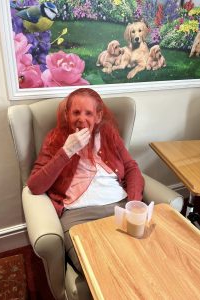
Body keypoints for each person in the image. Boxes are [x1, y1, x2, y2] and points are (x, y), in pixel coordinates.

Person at [27, 88, 144, 273]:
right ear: (67, 115)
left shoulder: (108, 133)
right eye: (76, 112)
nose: (81, 119)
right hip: (78, 214)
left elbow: (131, 168)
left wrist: (134, 202)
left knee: (143, 255)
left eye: (88, 113)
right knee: (100, 268)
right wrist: (66, 151)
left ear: (98, 116)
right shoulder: (55, 138)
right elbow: (35, 186)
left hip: (119, 205)